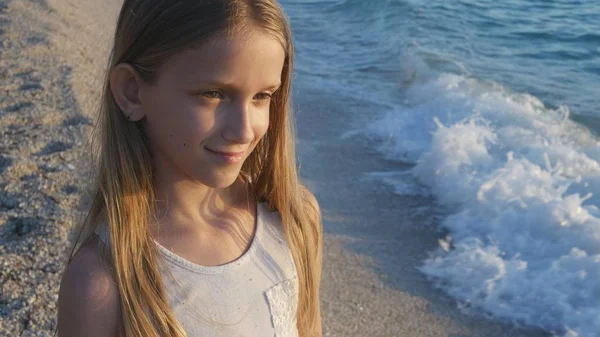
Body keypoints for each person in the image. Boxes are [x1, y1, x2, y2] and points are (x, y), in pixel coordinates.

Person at [56, 1, 323, 336]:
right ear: (132, 92)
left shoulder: (294, 220)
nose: (243, 130)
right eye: (213, 94)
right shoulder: (103, 282)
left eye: (262, 96)